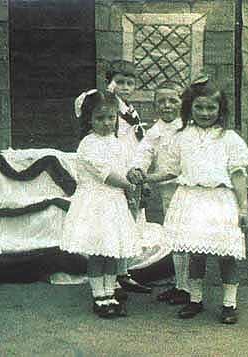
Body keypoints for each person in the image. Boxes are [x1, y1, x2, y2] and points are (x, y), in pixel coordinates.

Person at [145, 79, 248, 324]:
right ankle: (195, 299)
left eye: (211, 108)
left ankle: (229, 304)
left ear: (220, 109)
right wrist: (145, 178)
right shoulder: (182, 137)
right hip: (191, 199)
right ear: (190, 108)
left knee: (227, 254)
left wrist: (243, 206)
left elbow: (238, 174)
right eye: (199, 108)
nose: (205, 113)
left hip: (220, 200)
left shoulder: (230, 138)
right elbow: (170, 170)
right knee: (195, 253)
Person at [61, 89, 139, 318]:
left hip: (114, 202)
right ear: (88, 119)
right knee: (98, 251)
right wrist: (129, 184)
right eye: (100, 118)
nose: (107, 123)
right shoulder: (88, 144)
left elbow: (123, 167)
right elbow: (105, 174)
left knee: (112, 251)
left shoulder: (117, 142)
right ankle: (99, 296)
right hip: (96, 202)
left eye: (111, 117)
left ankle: (110, 291)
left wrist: (131, 184)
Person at [127, 81, 190, 305]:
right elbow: (145, 152)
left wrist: (150, 178)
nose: (167, 106)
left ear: (182, 103)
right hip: (168, 193)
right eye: (161, 101)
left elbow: (180, 168)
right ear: (155, 105)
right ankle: (180, 285)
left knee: (189, 238)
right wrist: (137, 169)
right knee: (174, 236)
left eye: (173, 100)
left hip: (189, 191)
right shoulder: (156, 131)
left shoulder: (188, 129)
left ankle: (190, 288)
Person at [105, 59, 152, 299]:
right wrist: (108, 95)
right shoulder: (108, 105)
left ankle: (123, 272)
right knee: (117, 222)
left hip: (131, 169)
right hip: (116, 169)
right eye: (119, 82)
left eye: (129, 83)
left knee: (131, 221)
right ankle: (111, 279)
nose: (124, 87)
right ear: (110, 83)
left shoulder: (130, 109)